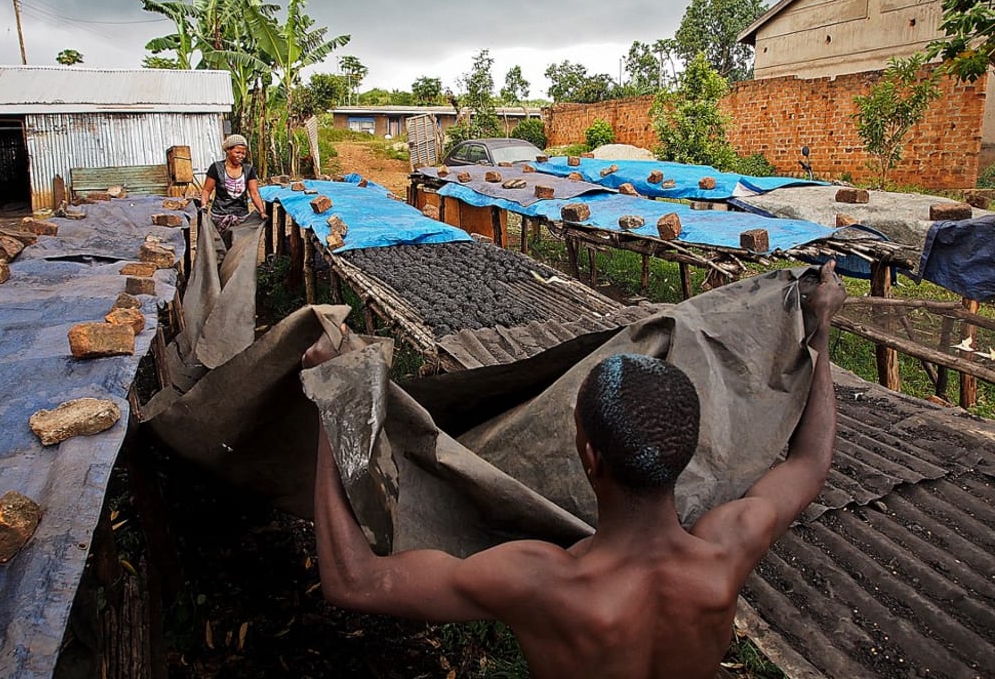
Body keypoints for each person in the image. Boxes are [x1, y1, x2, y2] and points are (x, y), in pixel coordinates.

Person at [305, 261, 846, 678]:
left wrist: (336, 399)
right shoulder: (729, 548)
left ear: (589, 458)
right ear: (685, 455)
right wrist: (819, 330)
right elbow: (810, 459)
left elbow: (355, 581)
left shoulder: (540, 581)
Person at [201, 134, 267, 238]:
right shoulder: (216, 168)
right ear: (228, 150)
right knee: (219, 246)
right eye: (237, 152)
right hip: (219, 215)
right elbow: (206, 190)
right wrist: (204, 206)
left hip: (241, 216)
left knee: (239, 247)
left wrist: (262, 211)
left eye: (243, 153)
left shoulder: (248, 170)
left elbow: (254, 193)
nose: (241, 156)